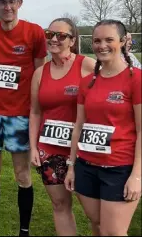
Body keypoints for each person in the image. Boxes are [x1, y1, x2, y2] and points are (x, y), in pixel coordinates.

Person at [0, 0, 47, 236]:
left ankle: (24, 230)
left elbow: (40, 74)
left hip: (20, 114)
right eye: (2, 2)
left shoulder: (35, 32)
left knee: (22, 172)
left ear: (20, 3)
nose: (7, 6)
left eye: (12, 1)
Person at [64, 19, 141, 236]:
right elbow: (78, 126)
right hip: (86, 167)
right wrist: (72, 166)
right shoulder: (87, 82)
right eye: (97, 40)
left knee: (113, 232)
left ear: (124, 41)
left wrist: (137, 176)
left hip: (119, 169)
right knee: (97, 226)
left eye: (109, 40)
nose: (102, 45)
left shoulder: (136, 80)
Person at [29, 18, 95, 236]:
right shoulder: (40, 73)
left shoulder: (86, 65)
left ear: (73, 40)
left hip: (84, 151)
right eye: (50, 34)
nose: (54, 39)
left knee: (95, 214)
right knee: (60, 206)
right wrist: (33, 147)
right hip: (50, 150)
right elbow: (36, 112)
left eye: (61, 35)